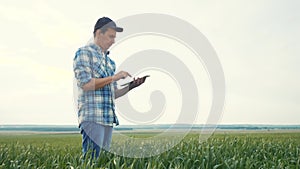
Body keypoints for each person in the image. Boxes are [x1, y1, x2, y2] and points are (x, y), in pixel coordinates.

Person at [73, 17, 146, 159]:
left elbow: (113, 93)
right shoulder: (84, 53)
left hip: (107, 119)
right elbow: (86, 84)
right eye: (110, 36)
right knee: (92, 161)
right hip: (93, 117)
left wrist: (132, 86)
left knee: (102, 162)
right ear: (99, 33)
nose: (113, 41)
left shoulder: (110, 62)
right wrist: (114, 78)